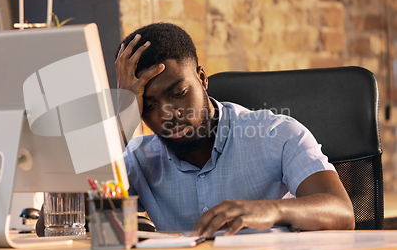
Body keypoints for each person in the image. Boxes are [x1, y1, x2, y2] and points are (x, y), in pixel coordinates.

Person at [115, 22, 355, 237]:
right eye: (149, 105)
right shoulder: (136, 159)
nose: (167, 114)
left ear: (202, 78)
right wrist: (122, 121)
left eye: (178, 94)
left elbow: (341, 211)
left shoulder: (276, 134)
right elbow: (83, 216)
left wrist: (269, 209)